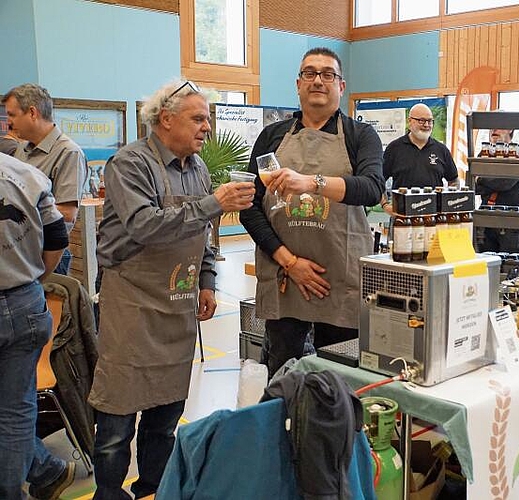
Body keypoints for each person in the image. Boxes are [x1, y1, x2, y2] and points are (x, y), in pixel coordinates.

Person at [87, 81, 255, 499]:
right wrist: (214, 203)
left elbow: (204, 235)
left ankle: (153, 487)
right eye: (199, 119)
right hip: (131, 301)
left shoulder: (197, 168)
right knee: (117, 414)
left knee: (166, 413)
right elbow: (144, 224)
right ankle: (109, 492)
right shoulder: (130, 164)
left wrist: (207, 280)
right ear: (166, 119)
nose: (207, 129)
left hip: (177, 301)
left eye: (208, 119)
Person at [239, 47, 384, 377]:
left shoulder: (360, 136)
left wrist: (311, 183)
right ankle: (283, 429)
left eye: (327, 74)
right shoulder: (272, 136)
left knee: (340, 378)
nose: (318, 80)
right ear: (298, 83)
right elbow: (250, 207)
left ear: (341, 86)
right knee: (280, 375)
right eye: (310, 73)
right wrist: (289, 262)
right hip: (284, 277)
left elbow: (372, 188)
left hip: (340, 278)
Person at [0, 153, 68, 500]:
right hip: (24, 300)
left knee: (11, 410)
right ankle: (43, 468)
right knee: (13, 409)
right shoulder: (26, 174)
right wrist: (34, 277)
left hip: (22, 298)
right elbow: (57, 238)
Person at [2, 84, 87, 276]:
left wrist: (19, 211)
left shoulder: (68, 153)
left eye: (12, 115)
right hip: (19, 254)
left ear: (32, 112)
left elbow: (67, 214)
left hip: (48, 254)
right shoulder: (21, 150)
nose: (9, 122)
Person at [381, 103, 458, 214]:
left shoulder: (441, 150)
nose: (426, 125)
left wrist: (449, 204)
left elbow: (453, 180)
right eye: (421, 120)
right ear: (410, 121)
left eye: (430, 121)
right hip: (401, 216)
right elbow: (379, 180)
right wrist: (385, 205)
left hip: (433, 217)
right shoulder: (394, 148)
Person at [474, 128, 519, 253]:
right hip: (486, 218)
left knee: (510, 262)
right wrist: (492, 181)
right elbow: (475, 188)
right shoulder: (483, 154)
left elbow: (505, 183)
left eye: (498, 126)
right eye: (491, 127)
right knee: (485, 262)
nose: (494, 130)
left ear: (510, 129)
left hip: (510, 219)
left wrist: (481, 179)